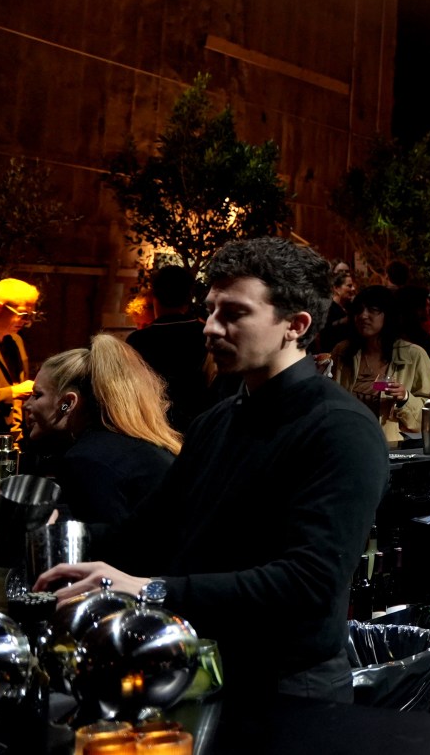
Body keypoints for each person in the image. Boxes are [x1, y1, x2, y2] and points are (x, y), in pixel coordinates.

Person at [36, 237, 390, 703]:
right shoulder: (216, 421)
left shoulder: (341, 429)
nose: (210, 328)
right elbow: (149, 532)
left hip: (287, 694)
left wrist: (150, 589)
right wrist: (53, 532)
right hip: (202, 674)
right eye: (210, 310)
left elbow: (307, 584)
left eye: (234, 313)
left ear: (295, 325)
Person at [18, 336, 178, 537]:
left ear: (67, 404)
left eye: (37, 395)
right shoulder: (126, 448)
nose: (27, 405)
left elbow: (108, 551)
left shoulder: (88, 460)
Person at [330, 285, 430, 445]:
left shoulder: (413, 355)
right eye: (359, 311)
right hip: (346, 447)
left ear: (388, 315)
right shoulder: (342, 352)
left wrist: (405, 398)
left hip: (390, 449)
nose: (363, 316)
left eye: (373, 310)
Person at [127, 264, 216, 431]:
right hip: (197, 427)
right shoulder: (206, 335)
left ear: (154, 296)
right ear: (189, 297)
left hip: (151, 428)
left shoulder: (138, 341)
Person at [0, 277, 40, 436]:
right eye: (22, 314)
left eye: (30, 315)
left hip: (16, 440)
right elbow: (16, 391)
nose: (27, 321)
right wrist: (12, 392)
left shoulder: (16, 341)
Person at [315, 267, 358, 364]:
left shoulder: (351, 307)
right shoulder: (328, 308)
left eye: (353, 286)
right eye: (349, 286)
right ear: (337, 288)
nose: (353, 289)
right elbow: (324, 332)